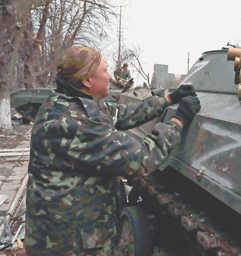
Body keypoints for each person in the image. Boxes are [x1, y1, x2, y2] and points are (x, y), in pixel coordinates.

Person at [24, 46, 201, 255]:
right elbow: (143, 158)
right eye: (105, 71)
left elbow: (121, 114)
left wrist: (168, 99)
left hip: (58, 230)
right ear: (87, 81)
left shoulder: (66, 102)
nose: (110, 77)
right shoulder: (77, 122)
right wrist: (178, 121)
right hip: (69, 242)